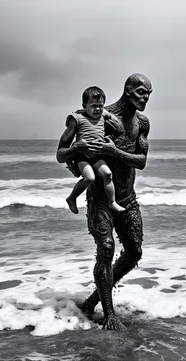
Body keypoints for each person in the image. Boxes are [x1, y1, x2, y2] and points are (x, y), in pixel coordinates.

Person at [57, 74, 152, 330]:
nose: (145, 98)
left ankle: (91, 302)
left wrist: (113, 152)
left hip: (127, 198)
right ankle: (110, 315)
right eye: (141, 92)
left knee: (134, 253)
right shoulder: (99, 115)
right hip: (100, 197)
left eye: (149, 94)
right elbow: (64, 153)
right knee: (107, 248)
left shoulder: (142, 123)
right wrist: (78, 160)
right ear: (129, 90)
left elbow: (141, 161)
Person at [64, 86, 125, 214]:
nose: (97, 109)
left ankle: (112, 202)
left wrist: (111, 124)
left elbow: (114, 120)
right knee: (90, 178)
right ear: (84, 105)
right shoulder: (78, 117)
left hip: (97, 155)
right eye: (93, 106)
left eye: (100, 106)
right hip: (82, 156)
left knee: (108, 174)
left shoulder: (103, 114)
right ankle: (71, 198)